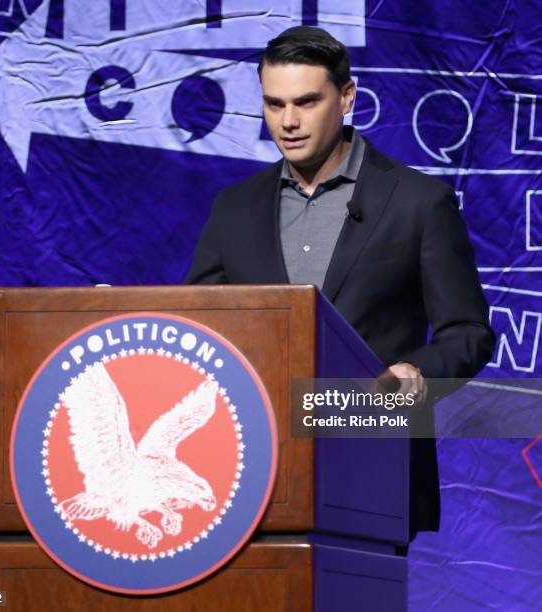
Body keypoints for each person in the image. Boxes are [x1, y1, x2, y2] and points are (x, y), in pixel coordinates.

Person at [186, 26, 495, 537]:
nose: (288, 122)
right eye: (273, 104)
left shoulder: (419, 203)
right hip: (250, 470)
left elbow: (469, 332)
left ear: (346, 97)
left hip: (372, 461)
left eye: (306, 102)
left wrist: (415, 372)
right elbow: (198, 324)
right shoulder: (235, 208)